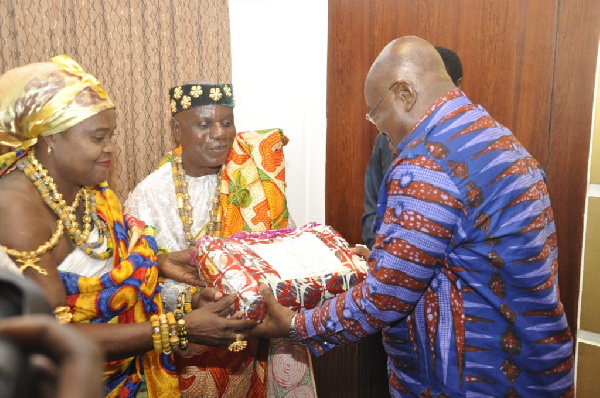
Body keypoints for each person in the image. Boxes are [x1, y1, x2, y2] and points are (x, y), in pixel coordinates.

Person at [251, 36, 574, 397]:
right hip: (538, 369)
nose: (379, 128)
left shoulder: (426, 163)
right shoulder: (496, 138)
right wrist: (387, 258)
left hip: (472, 381)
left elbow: (384, 297)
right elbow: (478, 254)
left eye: (376, 113)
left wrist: (296, 325)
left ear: (405, 93)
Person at [0, 56, 255, 397]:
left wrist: (164, 267)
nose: (111, 149)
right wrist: (178, 329)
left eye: (111, 136)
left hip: (125, 373)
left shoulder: (88, 189)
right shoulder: (14, 208)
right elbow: (50, 336)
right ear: (50, 137)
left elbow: (121, 257)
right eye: (98, 137)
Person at [124, 81, 316, 397]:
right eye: (204, 124)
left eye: (227, 122)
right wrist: (193, 298)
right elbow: (141, 278)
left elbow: (284, 246)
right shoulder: (149, 195)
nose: (220, 133)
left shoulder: (249, 176)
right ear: (176, 129)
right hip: (190, 345)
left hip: (259, 336)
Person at [361, 46, 464, 249]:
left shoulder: (465, 146)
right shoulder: (387, 136)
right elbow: (371, 211)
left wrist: (390, 262)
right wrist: (379, 253)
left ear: (457, 88)